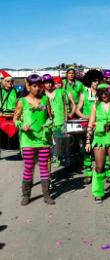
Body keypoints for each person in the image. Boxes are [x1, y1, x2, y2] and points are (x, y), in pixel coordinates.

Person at [13, 74, 55, 205]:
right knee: (29, 167)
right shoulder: (22, 101)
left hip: (43, 139)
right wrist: (21, 125)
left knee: (44, 167)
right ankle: (26, 195)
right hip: (28, 140)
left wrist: (49, 123)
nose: (37, 88)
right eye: (34, 86)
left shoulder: (45, 99)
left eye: (39, 86)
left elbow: (50, 116)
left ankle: (46, 195)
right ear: (28, 86)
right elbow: (15, 119)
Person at [77, 69, 103, 184]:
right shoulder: (85, 93)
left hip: (101, 125)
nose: (96, 83)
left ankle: (105, 172)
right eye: (94, 81)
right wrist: (85, 116)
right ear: (90, 82)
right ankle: (88, 172)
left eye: (98, 80)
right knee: (87, 150)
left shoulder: (104, 93)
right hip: (88, 126)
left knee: (103, 148)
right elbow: (77, 110)